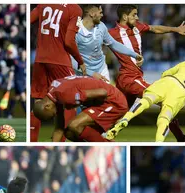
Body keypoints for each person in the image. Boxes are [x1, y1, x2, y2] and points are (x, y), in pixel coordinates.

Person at [109, 4, 185, 142]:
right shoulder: (111, 34)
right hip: (130, 78)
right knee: (165, 101)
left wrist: (175, 29)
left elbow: (155, 28)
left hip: (128, 78)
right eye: (134, 14)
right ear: (124, 16)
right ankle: (182, 139)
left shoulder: (137, 27)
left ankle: (98, 134)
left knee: (117, 112)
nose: (137, 17)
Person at [106, 52, 185, 142]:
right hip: (182, 93)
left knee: (146, 100)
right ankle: (159, 141)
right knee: (164, 118)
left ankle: (125, 119)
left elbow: (165, 73)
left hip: (168, 81)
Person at [30, 4, 85, 142]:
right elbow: (69, 41)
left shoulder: (44, 4)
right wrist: (80, 61)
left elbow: (29, 19)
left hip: (40, 60)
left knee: (39, 102)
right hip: (60, 61)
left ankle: (32, 141)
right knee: (68, 103)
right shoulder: (74, 9)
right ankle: (59, 144)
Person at [33, 75, 127, 142]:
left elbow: (103, 93)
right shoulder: (54, 91)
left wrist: (93, 107)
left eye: (51, 115)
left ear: (47, 106)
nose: (55, 115)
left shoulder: (65, 96)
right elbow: (59, 129)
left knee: (75, 125)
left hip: (114, 101)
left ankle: (107, 146)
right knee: (69, 133)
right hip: (105, 101)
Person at [72, 4, 143, 81]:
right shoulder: (75, 31)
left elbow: (113, 44)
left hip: (102, 69)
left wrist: (135, 55)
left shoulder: (101, 26)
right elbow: (71, 60)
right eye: (100, 12)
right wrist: (92, 73)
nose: (102, 15)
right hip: (84, 73)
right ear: (92, 14)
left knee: (108, 92)